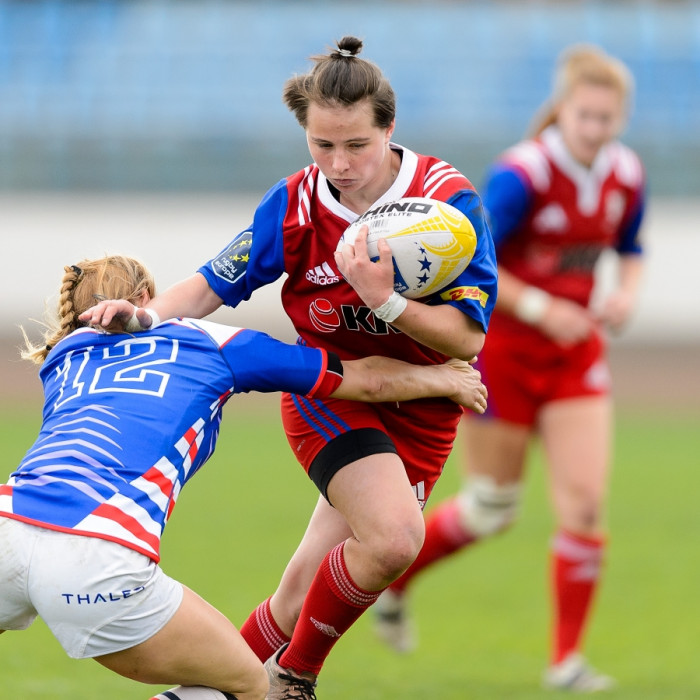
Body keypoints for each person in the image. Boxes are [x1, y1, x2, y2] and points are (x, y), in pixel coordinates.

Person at [79, 36, 498, 698]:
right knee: (392, 541)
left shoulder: (447, 207)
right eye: (322, 146)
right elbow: (209, 285)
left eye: (356, 145)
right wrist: (144, 317)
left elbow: (466, 341)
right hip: (329, 398)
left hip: (422, 415)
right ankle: (293, 679)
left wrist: (383, 299)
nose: (339, 163)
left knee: (299, 593)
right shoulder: (296, 205)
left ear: (389, 128)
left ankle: (192, 695)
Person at [0, 255, 489, 700]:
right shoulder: (208, 341)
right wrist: (443, 377)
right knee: (250, 684)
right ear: (149, 301)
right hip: (96, 551)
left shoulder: (65, 357)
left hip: (9, 526)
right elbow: (362, 379)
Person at [372, 44, 646, 692]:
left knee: (583, 505)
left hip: (576, 356)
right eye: (585, 115)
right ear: (563, 108)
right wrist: (543, 305)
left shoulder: (625, 174)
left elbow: (631, 248)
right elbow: (478, 263)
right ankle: (396, 583)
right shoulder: (522, 175)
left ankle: (566, 663)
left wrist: (627, 292)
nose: (595, 129)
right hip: (506, 355)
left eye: (608, 119)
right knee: (492, 508)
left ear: (621, 119)